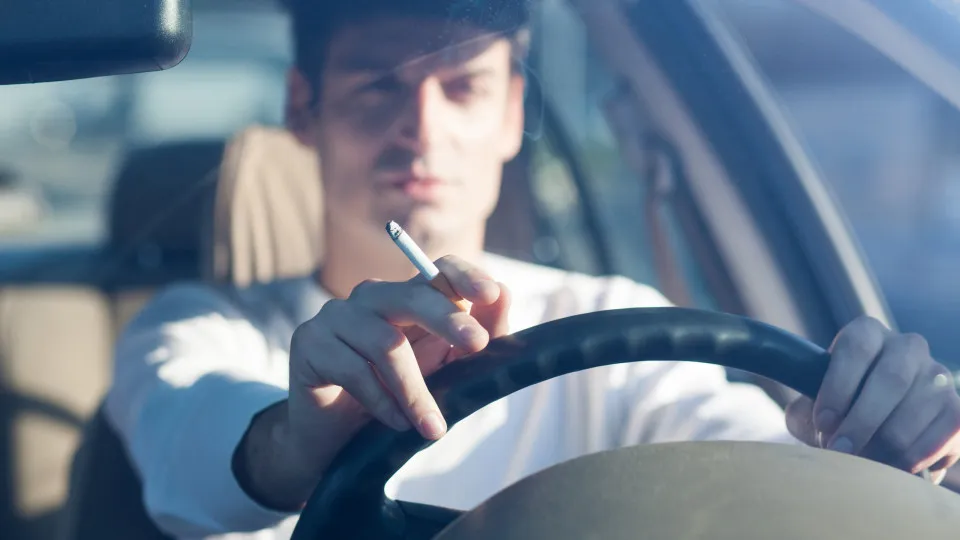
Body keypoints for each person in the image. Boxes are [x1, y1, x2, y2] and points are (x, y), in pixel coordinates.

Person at [105, 1, 960, 538]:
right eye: (379, 88)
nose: (423, 129)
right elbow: (190, 449)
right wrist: (296, 440)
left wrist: (855, 439)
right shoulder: (196, 323)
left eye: (464, 88)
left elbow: (736, 462)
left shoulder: (612, 316)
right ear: (303, 107)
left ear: (514, 113)